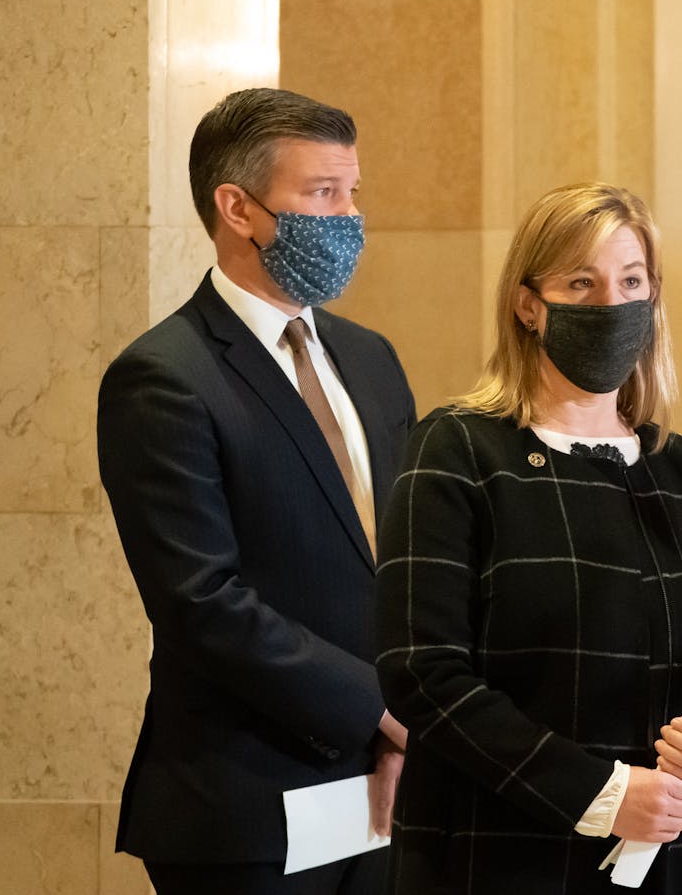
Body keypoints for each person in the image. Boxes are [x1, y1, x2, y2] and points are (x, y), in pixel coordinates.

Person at [375, 182, 682, 893]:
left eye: (631, 281)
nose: (609, 304)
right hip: (502, 856)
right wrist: (602, 793)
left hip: (674, 861)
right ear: (529, 305)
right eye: (580, 283)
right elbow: (422, 672)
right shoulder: (460, 450)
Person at [98, 87, 415, 895]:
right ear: (237, 208)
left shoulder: (370, 358)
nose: (347, 218)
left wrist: (419, 716)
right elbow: (201, 600)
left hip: (389, 789)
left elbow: (405, 554)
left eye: (352, 193)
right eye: (320, 195)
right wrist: (376, 708)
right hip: (246, 802)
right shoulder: (164, 377)